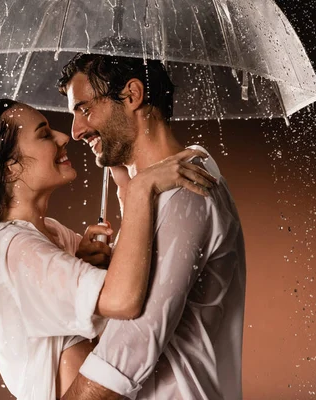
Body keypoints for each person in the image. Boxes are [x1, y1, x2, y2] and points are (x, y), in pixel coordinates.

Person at [0, 99, 217, 399]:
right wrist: (141, 188)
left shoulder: (51, 233)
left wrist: (123, 183)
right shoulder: (12, 247)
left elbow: (128, 286)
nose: (64, 137)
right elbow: (124, 300)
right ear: (10, 168)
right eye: (44, 134)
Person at [57, 54, 247, 400]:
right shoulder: (159, 193)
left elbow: (132, 345)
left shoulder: (188, 189)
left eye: (84, 109)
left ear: (132, 95)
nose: (76, 131)